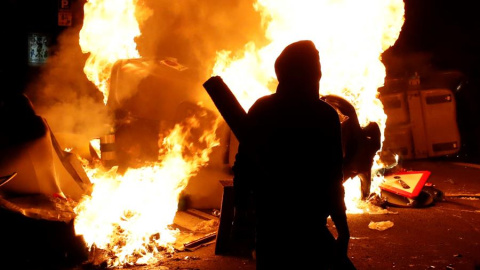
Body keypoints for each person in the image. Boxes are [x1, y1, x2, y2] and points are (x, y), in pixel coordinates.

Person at [231, 40, 355, 269]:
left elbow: (243, 166)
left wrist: (240, 213)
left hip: (273, 225)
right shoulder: (324, 115)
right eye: (315, 65)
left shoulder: (262, 108)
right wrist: (342, 227)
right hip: (305, 226)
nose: (319, 71)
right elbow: (333, 177)